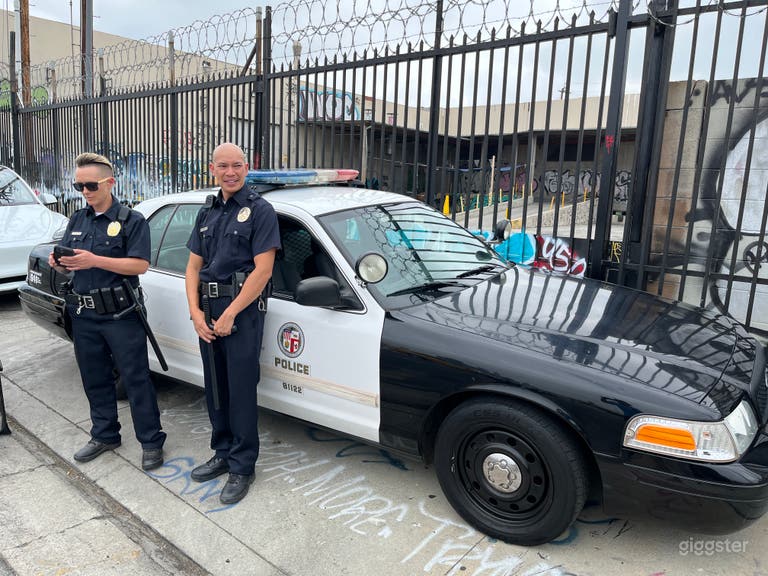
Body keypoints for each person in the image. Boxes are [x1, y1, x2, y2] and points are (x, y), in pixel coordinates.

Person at [49, 152, 166, 471]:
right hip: (83, 314)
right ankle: (104, 434)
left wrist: (95, 260)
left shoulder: (131, 220)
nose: (85, 191)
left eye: (90, 184)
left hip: (120, 314)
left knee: (136, 379)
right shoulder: (77, 219)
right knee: (94, 378)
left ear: (109, 182)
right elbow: (74, 260)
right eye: (79, 185)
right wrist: (59, 262)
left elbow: (140, 265)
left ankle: (151, 441)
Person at [185, 143, 280, 505]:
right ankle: (222, 452)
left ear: (246, 167)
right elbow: (193, 267)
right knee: (216, 389)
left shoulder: (260, 211)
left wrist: (230, 314)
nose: (230, 172)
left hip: (241, 311)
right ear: (212, 169)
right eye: (223, 166)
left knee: (240, 391)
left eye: (236, 165)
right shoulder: (208, 212)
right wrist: (195, 312)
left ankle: (242, 466)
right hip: (208, 309)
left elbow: (263, 270)